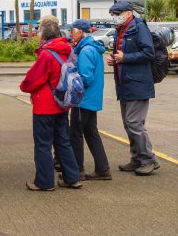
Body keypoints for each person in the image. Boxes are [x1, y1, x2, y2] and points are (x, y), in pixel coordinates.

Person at [19, 15, 83, 191]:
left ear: (43, 35)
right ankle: (72, 177)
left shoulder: (47, 54)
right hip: (62, 103)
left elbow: (33, 80)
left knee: (43, 144)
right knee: (63, 141)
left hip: (45, 106)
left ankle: (44, 182)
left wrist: (24, 86)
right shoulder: (68, 50)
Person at [107, 0, 159, 176]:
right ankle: (136, 158)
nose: (115, 17)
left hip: (138, 84)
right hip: (124, 84)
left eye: (117, 14)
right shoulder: (120, 30)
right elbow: (122, 54)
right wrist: (115, 59)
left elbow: (149, 53)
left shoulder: (139, 27)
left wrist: (125, 58)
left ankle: (148, 159)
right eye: (113, 14)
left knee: (134, 123)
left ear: (128, 13)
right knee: (128, 124)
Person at [68, 19, 111, 180]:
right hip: (91, 99)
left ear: (80, 32)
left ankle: (77, 170)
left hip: (82, 99)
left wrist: (70, 79)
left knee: (76, 134)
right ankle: (102, 168)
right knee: (91, 133)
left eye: (72, 31)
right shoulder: (92, 48)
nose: (71, 34)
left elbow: (85, 78)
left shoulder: (85, 51)